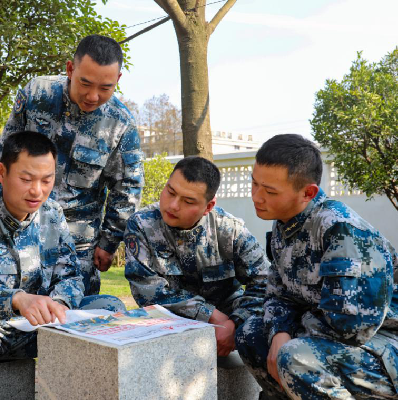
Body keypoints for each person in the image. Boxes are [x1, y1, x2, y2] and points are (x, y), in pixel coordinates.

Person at [0, 130, 125, 399]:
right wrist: (18, 299)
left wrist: (59, 305)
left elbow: (70, 276)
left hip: (39, 328)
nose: (37, 190)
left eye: (47, 180)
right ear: (1, 172)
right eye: (26, 179)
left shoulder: (52, 213)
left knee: (111, 308)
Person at [236, 134, 398, 399]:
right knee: (250, 334)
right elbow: (278, 294)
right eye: (254, 183)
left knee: (294, 356)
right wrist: (280, 332)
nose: (256, 197)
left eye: (270, 191)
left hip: (382, 344)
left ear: (307, 193)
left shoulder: (342, 231)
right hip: (329, 337)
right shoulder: (286, 223)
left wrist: (289, 334)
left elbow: (353, 327)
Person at [0, 34, 144, 296]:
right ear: (70, 69)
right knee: (14, 314)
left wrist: (108, 243)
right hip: (19, 228)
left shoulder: (121, 124)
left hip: (78, 245)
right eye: (85, 83)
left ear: (117, 80)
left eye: (105, 88)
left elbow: (127, 188)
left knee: (72, 323)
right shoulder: (36, 94)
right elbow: (6, 155)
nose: (93, 96)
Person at [124, 156, 269, 357]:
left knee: (265, 328)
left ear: (208, 206)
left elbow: (265, 283)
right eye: (170, 192)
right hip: (169, 319)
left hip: (228, 315)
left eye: (188, 201)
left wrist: (235, 322)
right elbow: (147, 291)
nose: (173, 205)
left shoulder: (229, 230)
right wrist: (212, 316)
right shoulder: (142, 225)